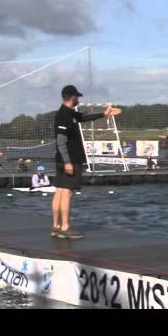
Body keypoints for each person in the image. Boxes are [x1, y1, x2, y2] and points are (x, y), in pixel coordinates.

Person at [52, 85, 122, 239]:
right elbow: (61, 140)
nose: (78, 99)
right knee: (66, 192)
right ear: (72, 97)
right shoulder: (64, 115)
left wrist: (105, 114)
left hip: (64, 160)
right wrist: (68, 162)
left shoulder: (70, 113)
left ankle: (56, 226)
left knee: (60, 191)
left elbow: (83, 117)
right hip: (69, 160)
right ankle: (64, 227)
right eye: (77, 96)